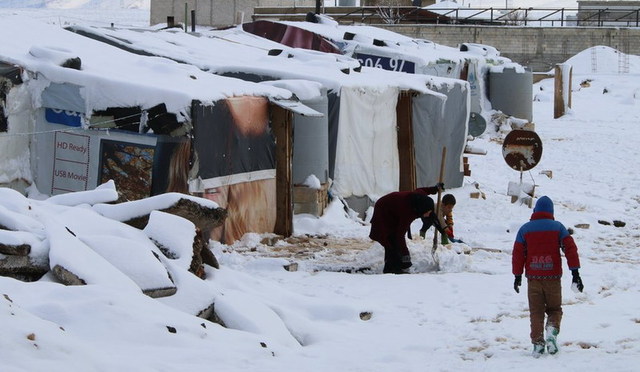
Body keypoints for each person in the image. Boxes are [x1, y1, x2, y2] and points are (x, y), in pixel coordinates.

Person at [512, 195, 584, 357]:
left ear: (536, 210)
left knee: (536, 312)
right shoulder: (558, 228)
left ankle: (538, 344)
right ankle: (552, 330)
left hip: (533, 278)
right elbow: (570, 249)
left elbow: (518, 254)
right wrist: (575, 273)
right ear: (551, 211)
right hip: (553, 278)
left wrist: (517, 275)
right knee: (554, 309)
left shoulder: (525, 229)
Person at [369, 184, 443, 274]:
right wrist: (406, 254)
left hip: (393, 209)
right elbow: (400, 236)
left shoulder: (419, 198)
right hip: (383, 211)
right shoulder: (408, 212)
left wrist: (435, 188)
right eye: (427, 212)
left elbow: (421, 190)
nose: (428, 215)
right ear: (421, 209)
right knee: (390, 240)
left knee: (395, 240)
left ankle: (399, 265)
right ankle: (391, 269)